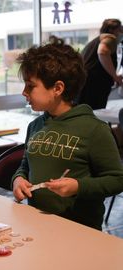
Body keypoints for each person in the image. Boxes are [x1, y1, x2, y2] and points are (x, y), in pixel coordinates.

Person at [12, 37, 123, 230]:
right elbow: (25, 166)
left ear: (57, 88)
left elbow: (117, 179)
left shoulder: (94, 129)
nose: (24, 92)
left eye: (30, 85)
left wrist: (78, 187)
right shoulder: (35, 126)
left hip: (80, 230)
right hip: (39, 226)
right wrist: (18, 179)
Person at [77, 18, 123, 109]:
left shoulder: (96, 40)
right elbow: (102, 52)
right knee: (95, 113)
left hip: (84, 82)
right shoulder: (110, 38)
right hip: (94, 85)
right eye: (120, 30)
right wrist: (115, 76)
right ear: (112, 30)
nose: (122, 33)